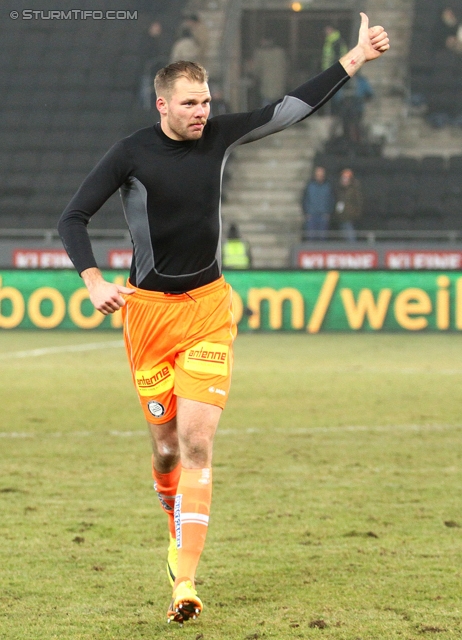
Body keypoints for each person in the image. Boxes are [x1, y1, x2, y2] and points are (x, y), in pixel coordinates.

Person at [57, 13, 389, 627]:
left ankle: (184, 580)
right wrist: (94, 278)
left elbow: (289, 109)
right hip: (149, 318)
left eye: (206, 101)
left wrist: (354, 59)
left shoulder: (218, 136)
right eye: (189, 103)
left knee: (198, 443)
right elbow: (72, 218)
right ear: (162, 103)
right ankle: (172, 512)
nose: (201, 112)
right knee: (164, 451)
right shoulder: (130, 153)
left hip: (208, 310)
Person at [302, 166, 335, 240]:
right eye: (318, 175)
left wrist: (329, 212)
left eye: (321, 175)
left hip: (323, 216)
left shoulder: (328, 186)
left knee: (322, 238)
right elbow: (304, 199)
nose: (319, 177)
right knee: (311, 237)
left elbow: (331, 200)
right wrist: (306, 212)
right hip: (312, 215)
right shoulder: (310, 186)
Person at [252, 37, 288, 105]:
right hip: (278, 86)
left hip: (267, 85)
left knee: (267, 105)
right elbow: (285, 68)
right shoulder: (280, 52)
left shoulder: (260, 53)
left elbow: (256, 69)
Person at [333, 168, 363, 241]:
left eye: (346, 178)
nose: (344, 180)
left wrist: (354, 214)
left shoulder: (354, 190)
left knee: (351, 239)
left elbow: (359, 203)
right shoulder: (339, 190)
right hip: (341, 218)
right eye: (343, 178)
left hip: (350, 219)